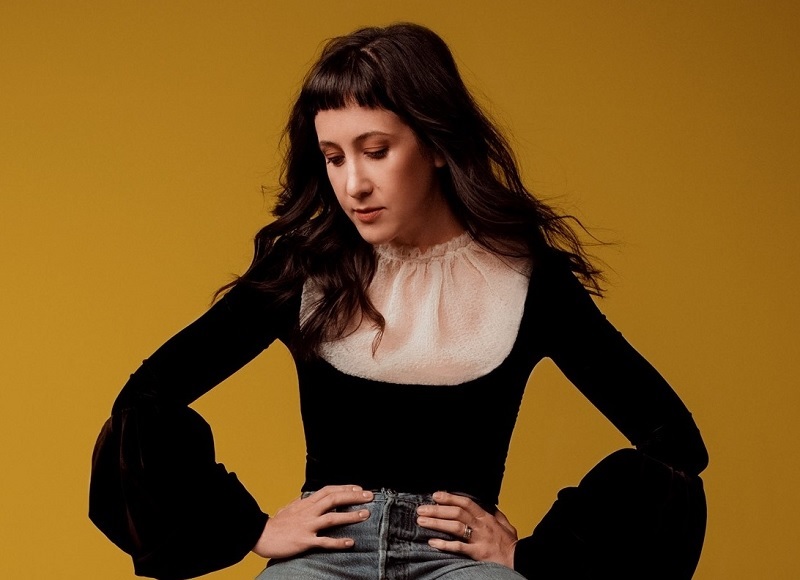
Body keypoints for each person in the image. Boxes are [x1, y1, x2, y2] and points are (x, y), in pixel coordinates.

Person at [90, 22, 708, 580]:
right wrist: (249, 530)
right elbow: (144, 401)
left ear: (437, 144)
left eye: (376, 151)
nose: (353, 184)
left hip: (459, 564)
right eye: (334, 158)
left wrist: (534, 556)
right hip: (323, 558)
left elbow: (674, 442)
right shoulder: (303, 270)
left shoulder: (529, 280)